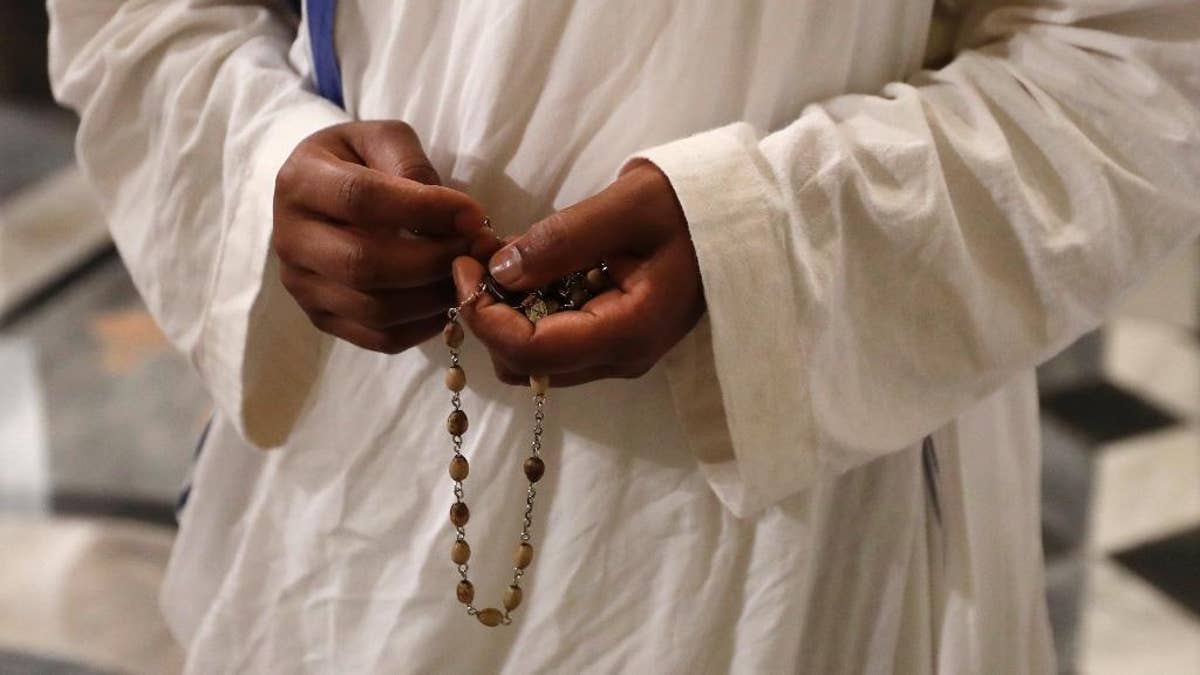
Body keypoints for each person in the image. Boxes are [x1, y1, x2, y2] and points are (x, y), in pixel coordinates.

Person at [48, 0, 1199, 672]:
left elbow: (1135, 53)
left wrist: (763, 240)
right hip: (354, 492)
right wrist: (259, 175)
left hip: (783, 535)